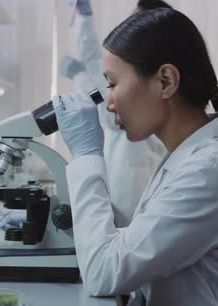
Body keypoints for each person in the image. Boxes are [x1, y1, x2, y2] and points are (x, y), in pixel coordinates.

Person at [53, 8, 218, 306]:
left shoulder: (211, 168)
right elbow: (144, 238)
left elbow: (103, 273)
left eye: (112, 84)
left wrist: (87, 155)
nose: (109, 103)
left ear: (166, 81)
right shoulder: (188, 157)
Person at [59, 0, 171, 227]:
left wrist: (80, 77)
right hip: (122, 166)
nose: (127, 27)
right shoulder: (133, 65)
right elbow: (96, 61)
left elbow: (114, 117)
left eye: (134, 21)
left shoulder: (148, 74)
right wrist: (84, 16)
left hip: (132, 176)